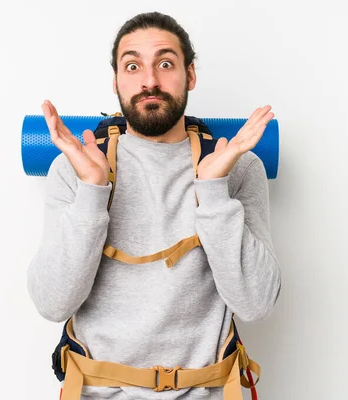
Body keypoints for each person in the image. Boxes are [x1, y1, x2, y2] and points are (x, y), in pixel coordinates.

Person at [27, 11, 282, 399]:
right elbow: (52, 302)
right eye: (133, 66)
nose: (149, 80)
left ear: (190, 75)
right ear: (115, 81)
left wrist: (213, 190)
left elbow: (256, 303)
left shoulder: (239, 167)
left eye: (165, 63)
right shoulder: (75, 168)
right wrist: (93, 192)